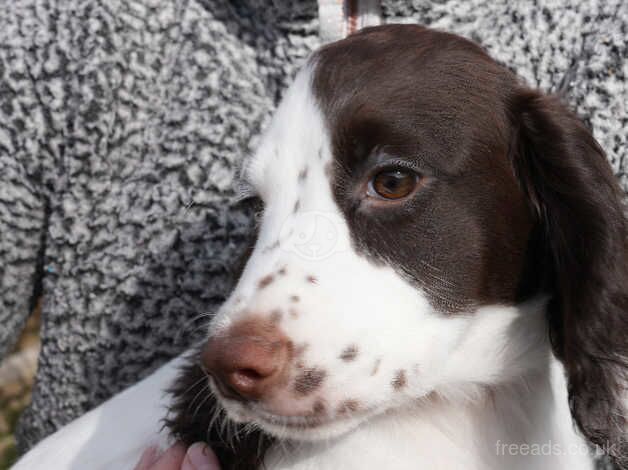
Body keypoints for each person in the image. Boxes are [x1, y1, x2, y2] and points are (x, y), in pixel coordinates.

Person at [0, 0, 625, 468]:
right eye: (264, 209)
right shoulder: (62, 27)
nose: (232, 345)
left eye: (393, 183)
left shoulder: (601, 33)